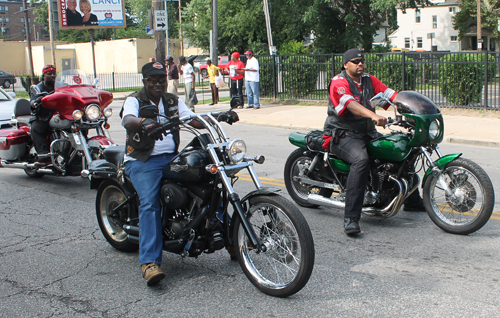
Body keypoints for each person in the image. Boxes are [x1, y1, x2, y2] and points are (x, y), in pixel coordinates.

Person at [121, 61, 238, 286]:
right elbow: (128, 120)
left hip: (170, 158)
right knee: (150, 203)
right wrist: (143, 122)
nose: (157, 84)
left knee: (212, 186)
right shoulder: (134, 100)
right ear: (144, 81)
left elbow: (193, 119)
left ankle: (233, 239)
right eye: (152, 80)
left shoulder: (172, 100)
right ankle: (149, 262)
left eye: (161, 80)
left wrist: (219, 116)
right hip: (142, 160)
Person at [322, 48, 424, 236]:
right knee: (361, 160)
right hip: (343, 134)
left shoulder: (369, 80)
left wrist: (415, 109)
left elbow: (391, 96)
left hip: (366, 132)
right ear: (346, 64)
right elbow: (351, 104)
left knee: (402, 148)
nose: (360, 64)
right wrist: (373, 115)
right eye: (355, 61)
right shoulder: (339, 81)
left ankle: (412, 200)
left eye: (362, 61)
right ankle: (351, 217)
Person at [30, 64, 57, 163]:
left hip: (58, 116)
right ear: (43, 76)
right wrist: (35, 102)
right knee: (36, 129)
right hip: (42, 116)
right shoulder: (38, 88)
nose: (52, 76)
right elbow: (32, 101)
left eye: (54, 73)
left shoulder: (59, 86)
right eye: (49, 73)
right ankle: (43, 154)